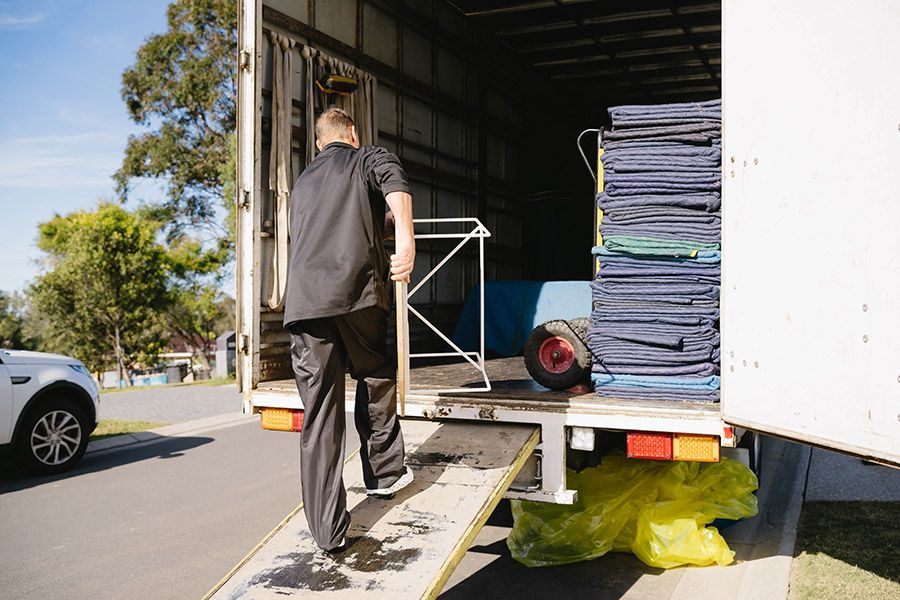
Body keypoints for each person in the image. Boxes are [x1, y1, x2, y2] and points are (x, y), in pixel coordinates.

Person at [282, 107, 416, 553]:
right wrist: (407, 243)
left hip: (304, 305)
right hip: (353, 293)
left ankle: (327, 532)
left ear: (319, 143)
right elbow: (396, 190)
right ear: (352, 134)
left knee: (319, 415)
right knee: (375, 370)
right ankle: (385, 473)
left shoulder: (303, 183)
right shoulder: (367, 158)